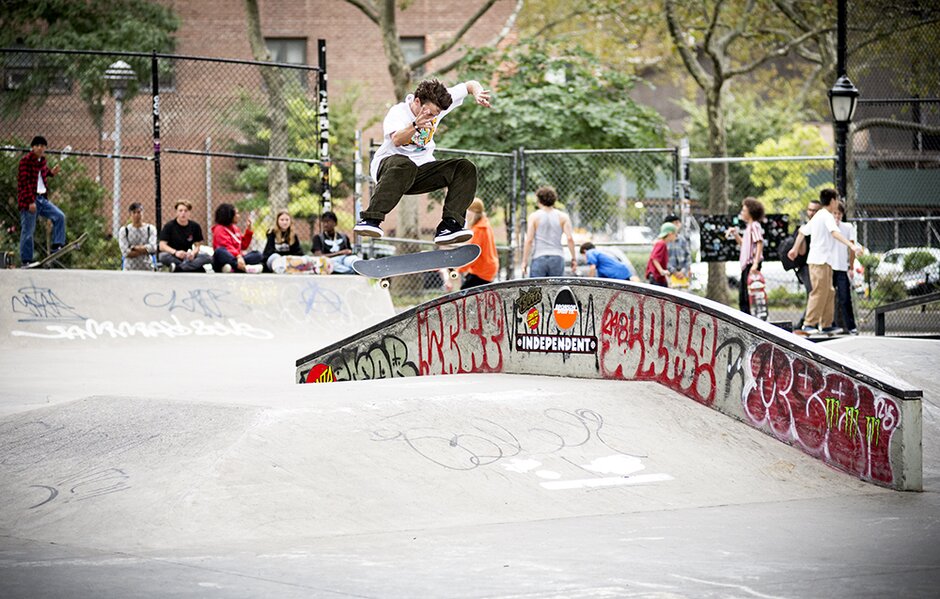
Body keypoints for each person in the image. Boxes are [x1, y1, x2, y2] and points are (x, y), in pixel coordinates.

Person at [354, 78, 492, 245]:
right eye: (429, 113)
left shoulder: (437, 106)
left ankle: (450, 225)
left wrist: (478, 93)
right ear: (417, 101)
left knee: (465, 167)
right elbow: (397, 139)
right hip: (389, 169)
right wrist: (415, 125)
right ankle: (370, 219)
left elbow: (470, 85)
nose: (432, 117)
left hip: (421, 172)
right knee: (405, 165)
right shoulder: (398, 112)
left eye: (436, 114)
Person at [787, 188, 865, 335]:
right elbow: (834, 233)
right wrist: (851, 245)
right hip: (818, 261)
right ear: (833, 201)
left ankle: (827, 324)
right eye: (837, 200)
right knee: (819, 291)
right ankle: (809, 324)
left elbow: (803, 231)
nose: (838, 203)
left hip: (826, 262)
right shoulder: (826, 215)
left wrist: (794, 249)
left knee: (829, 291)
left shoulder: (819, 215)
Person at [17, 135, 66, 265]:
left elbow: (42, 173)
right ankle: (26, 260)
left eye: (42, 146)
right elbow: (24, 182)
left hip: (42, 200)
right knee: (28, 231)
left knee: (59, 216)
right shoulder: (25, 161)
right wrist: (29, 202)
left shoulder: (42, 161)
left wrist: (51, 173)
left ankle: (57, 245)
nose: (40, 148)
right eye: (37, 146)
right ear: (32, 147)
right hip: (30, 201)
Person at [521, 186, 577, 278]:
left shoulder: (534, 217)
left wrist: (524, 261)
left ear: (539, 200)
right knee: (556, 290)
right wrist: (573, 258)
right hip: (557, 256)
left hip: (539, 256)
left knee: (537, 290)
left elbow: (529, 240)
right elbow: (570, 238)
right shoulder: (563, 217)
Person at [726, 197, 765, 315]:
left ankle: (748, 317)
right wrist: (736, 234)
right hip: (746, 264)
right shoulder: (749, 227)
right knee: (743, 294)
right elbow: (745, 244)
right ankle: (746, 315)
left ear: (750, 212)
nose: (741, 213)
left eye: (744, 210)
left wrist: (755, 263)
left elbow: (759, 242)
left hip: (751, 264)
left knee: (747, 295)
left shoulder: (754, 226)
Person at [158, 200, 212, 272]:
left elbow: (197, 245)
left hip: (188, 256)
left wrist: (193, 253)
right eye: (180, 211)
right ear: (176, 212)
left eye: (186, 211)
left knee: (207, 257)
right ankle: (192, 268)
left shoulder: (195, 226)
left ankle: (179, 268)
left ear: (189, 213)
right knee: (162, 256)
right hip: (174, 255)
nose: (183, 213)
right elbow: (162, 246)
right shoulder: (169, 226)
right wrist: (176, 252)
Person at [456, 198, 499, 288]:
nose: (466, 213)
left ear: (474, 212)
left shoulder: (479, 230)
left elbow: (472, 254)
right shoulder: (484, 225)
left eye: (468, 210)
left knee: (465, 293)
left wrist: (459, 269)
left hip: (483, 270)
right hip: (487, 268)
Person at [831, 201, 858, 334]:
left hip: (842, 268)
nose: (836, 216)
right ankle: (829, 325)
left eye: (839, 213)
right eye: (834, 213)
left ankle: (851, 326)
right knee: (828, 298)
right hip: (828, 267)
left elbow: (852, 248)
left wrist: (851, 267)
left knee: (845, 298)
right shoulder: (827, 226)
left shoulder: (847, 227)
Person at [211, 203, 263, 273]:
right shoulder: (219, 229)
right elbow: (227, 246)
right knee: (220, 251)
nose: (239, 216)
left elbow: (243, 246)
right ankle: (244, 268)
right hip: (226, 258)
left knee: (257, 254)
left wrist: (248, 232)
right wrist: (238, 256)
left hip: (237, 258)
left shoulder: (235, 228)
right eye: (237, 214)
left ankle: (233, 267)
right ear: (229, 216)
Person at [118, 202, 157, 271]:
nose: (136, 215)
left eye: (139, 212)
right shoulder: (124, 230)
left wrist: (134, 248)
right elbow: (125, 252)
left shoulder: (150, 229)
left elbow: (153, 248)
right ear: (130, 214)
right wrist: (145, 249)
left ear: (143, 213)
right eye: (134, 212)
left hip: (147, 267)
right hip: (129, 268)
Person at [646, 222, 677, 286]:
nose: (676, 236)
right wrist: (661, 271)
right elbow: (654, 258)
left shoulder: (662, 243)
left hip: (659, 278)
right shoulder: (661, 243)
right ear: (670, 234)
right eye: (675, 234)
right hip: (656, 278)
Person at [664, 214, 692, 281]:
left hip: (683, 275)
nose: (678, 225)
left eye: (678, 222)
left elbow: (688, 256)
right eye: (675, 223)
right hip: (668, 275)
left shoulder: (682, 240)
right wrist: (674, 271)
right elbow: (662, 259)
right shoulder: (664, 241)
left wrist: (683, 271)